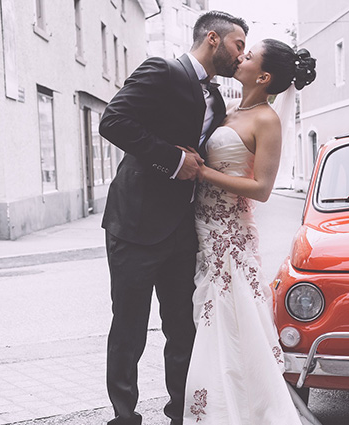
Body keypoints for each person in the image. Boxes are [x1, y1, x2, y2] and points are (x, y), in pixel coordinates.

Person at [98, 11, 248, 425]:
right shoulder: (161, 69)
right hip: (135, 224)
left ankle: (181, 413)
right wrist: (172, 158)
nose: (242, 55)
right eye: (238, 45)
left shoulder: (217, 98)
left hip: (184, 230)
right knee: (128, 328)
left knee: (183, 328)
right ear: (213, 39)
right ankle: (124, 416)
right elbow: (112, 122)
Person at [180, 39, 319, 424]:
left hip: (230, 235)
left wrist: (203, 171)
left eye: (249, 54)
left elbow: (262, 189)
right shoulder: (228, 110)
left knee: (228, 320)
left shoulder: (266, 120)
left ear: (264, 76)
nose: (239, 57)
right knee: (211, 319)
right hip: (203, 227)